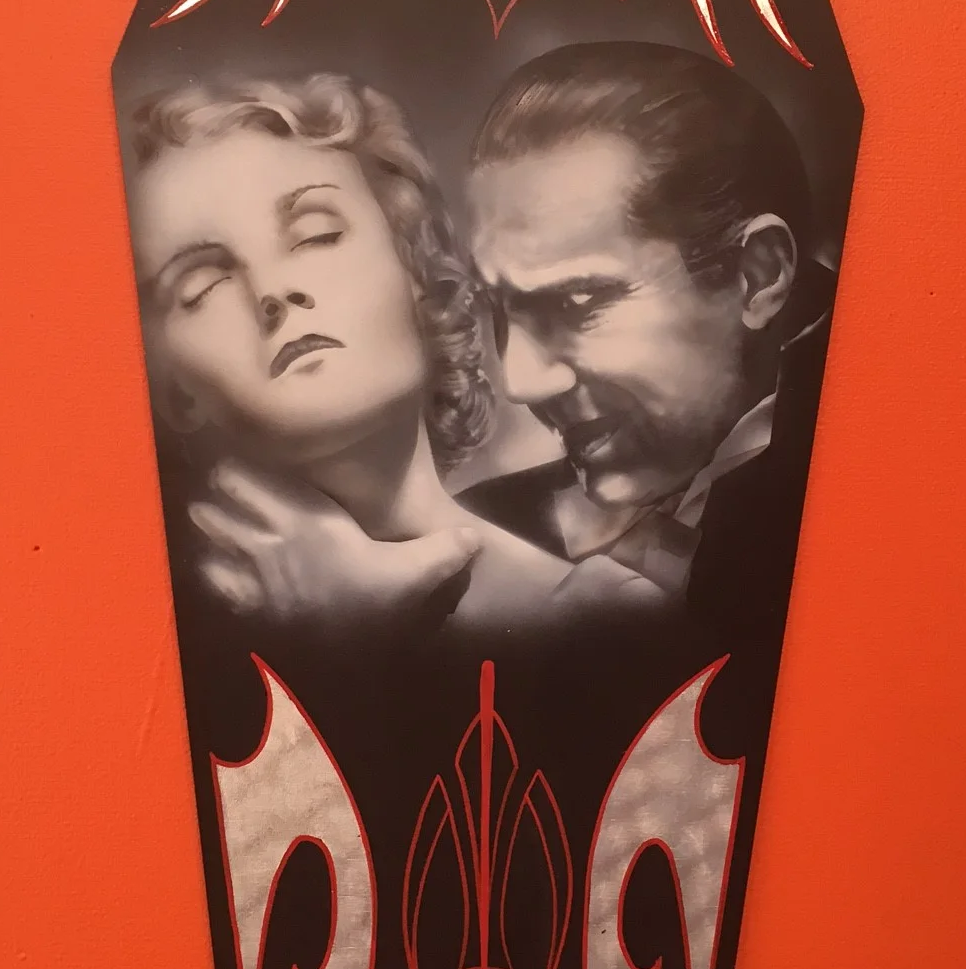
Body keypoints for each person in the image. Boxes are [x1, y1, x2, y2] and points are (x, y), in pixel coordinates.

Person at [123, 74, 655, 638]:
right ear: (172, 388)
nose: (271, 290)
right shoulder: (151, 629)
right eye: (203, 285)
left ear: (415, 269)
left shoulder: (600, 617)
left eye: (315, 235)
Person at [458, 41, 831, 645]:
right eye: (498, 310)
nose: (518, 380)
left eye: (579, 302)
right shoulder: (482, 537)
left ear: (757, 277)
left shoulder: (895, 510)